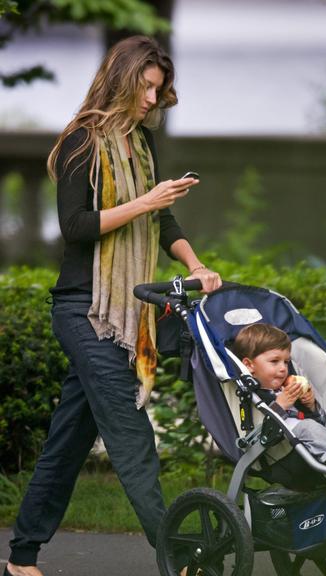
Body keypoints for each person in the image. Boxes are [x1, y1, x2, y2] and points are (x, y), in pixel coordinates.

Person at [5, 36, 221, 576]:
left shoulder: (139, 147)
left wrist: (195, 266)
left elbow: (160, 222)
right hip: (85, 310)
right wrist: (146, 200)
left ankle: (22, 556)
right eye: (146, 86)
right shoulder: (81, 141)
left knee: (68, 440)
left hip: (120, 311)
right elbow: (75, 227)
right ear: (123, 78)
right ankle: (179, 555)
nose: (152, 98)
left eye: (158, 89)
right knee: (131, 435)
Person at [232, 323, 326, 477]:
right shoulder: (252, 395)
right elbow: (263, 429)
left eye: (286, 361)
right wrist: (280, 406)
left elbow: (320, 425)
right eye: (274, 361)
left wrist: (311, 406)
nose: (283, 368)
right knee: (308, 427)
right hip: (287, 449)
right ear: (249, 365)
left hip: (319, 439)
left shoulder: (287, 387)